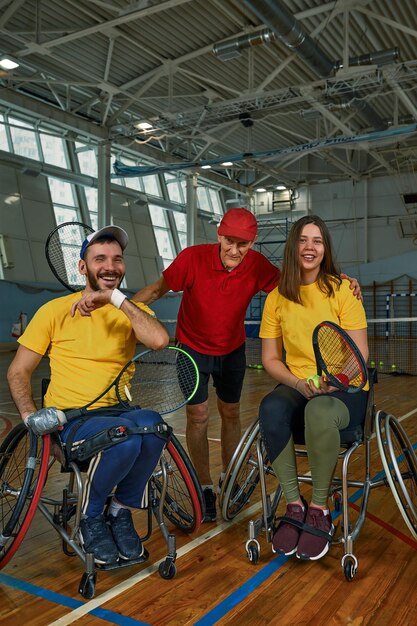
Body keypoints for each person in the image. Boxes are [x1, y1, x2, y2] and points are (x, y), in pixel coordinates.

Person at [133, 207, 363, 522]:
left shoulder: (256, 266)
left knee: (230, 413)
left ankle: (230, 476)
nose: (235, 250)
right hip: (191, 350)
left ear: (252, 244)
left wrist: (344, 281)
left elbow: (299, 283)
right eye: (229, 241)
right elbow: (158, 289)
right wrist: (125, 307)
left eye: (243, 244)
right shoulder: (192, 258)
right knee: (198, 417)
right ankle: (204, 486)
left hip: (232, 351)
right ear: (219, 235)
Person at [7, 225, 170, 566]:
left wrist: (114, 299)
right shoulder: (54, 311)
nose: (110, 266)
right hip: (72, 421)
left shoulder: (129, 310)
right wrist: (28, 417)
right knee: (123, 438)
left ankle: (120, 511)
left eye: (117, 259)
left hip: (119, 411)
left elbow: (158, 341)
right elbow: (18, 371)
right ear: (83, 267)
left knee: (154, 427)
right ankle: (90, 517)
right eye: (100, 259)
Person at [258, 214, 369, 561]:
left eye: (317, 241)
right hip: (299, 383)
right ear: (293, 246)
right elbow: (271, 358)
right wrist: (298, 383)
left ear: (325, 248)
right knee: (271, 408)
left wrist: (333, 381)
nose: (310, 247)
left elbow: (360, 353)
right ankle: (294, 505)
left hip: (346, 387)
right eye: (303, 240)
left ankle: (319, 509)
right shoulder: (276, 298)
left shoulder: (342, 289)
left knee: (321, 411)